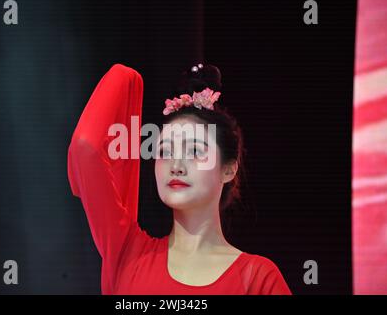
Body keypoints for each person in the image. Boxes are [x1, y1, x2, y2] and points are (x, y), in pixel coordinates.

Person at [67, 63, 292, 294]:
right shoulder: (128, 250)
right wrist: (127, 75)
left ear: (229, 169)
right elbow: (86, 147)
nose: (176, 165)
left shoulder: (257, 278)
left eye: (194, 151)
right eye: (164, 151)